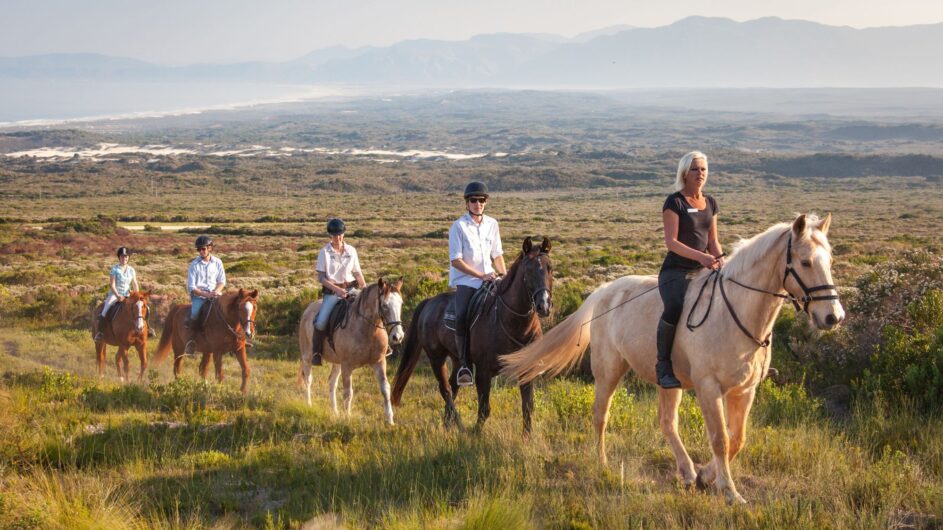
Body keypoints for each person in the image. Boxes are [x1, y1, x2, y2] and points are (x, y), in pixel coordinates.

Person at [656, 151, 724, 389]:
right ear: (684, 173)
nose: (700, 173)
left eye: (703, 169)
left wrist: (722, 261)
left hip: (704, 269)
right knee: (674, 307)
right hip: (676, 271)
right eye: (695, 169)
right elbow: (672, 242)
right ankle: (663, 365)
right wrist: (702, 257)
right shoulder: (674, 202)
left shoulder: (710, 202)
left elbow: (713, 241)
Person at [449, 181, 506, 386]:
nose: (477, 203)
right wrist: (480, 276)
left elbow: (497, 255)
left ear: (486, 202)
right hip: (467, 281)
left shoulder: (493, 224)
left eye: (481, 200)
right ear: (467, 203)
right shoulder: (459, 226)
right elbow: (456, 260)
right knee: (462, 315)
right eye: (473, 200)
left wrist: (504, 276)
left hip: (491, 277)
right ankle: (464, 364)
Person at [311, 218, 366, 366]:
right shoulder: (324, 252)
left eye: (340, 234)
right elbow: (321, 277)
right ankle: (316, 353)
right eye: (335, 235)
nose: (338, 237)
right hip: (332, 293)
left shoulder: (352, 251)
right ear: (330, 235)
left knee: (370, 309)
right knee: (321, 322)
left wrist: (365, 289)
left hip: (351, 289)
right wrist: (337, 290)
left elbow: (357, 273)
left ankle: (380, 346)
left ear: (344, 234)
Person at [184, 235, 226, 355]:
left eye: (203, 249)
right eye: (199, 249)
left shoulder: (218, 262)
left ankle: (234, 339)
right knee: (195, 313)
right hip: (200, 296)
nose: (201, 251)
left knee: (229, 310)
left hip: (216, 294)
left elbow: (222, 281)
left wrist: (216, 291)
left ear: (210, 248)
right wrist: (207, 295)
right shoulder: (194, 265)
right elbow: (192, 287)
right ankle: (191, 342)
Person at [93, 246, 140, 341]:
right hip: (115, 294)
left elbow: (135, 284)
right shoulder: (115, 269)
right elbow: (112, 285)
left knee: (143, 308)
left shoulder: (131, 270)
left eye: (126, 257)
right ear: (119, 257)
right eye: (122, 257)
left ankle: (148, 330)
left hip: (128, 294)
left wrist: (137, 295)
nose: (124, 259)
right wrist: (118, 296)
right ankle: (100, 332)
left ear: (128, 258)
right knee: (105, 310)